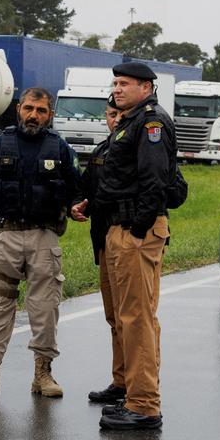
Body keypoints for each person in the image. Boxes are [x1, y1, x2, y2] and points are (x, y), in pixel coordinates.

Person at [0, 87, 79, 397]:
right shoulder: (0, 142)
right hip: (5, 236)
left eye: (41, 110)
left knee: (45, 308)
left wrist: (76, 206)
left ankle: (43, 373)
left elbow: (75, 189)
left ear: (50, 114)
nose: (34, 115)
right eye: (29, 108)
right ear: (19, 108)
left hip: (44, 237)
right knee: (1, 305)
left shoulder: (60, 148)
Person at [93, 62, 176, 431]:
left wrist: (140, 229)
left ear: (146, 87)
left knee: (138, 318)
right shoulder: (130, 121)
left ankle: (144, 405)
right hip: (118, 225)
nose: (117, 88)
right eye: (115, 83)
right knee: (124, 315)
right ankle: (129, 389)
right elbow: (120, 177)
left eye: (124, 83)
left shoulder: (151, 123)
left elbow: (154, 179)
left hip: (135, 231)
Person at [70, 95, 126, 406]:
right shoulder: (103, 149)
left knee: (131, 317)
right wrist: (78, 204)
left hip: (130, 236)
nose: (115, 119)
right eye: (110, 114)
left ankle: (137, 387)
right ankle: (120, 381)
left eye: (120, 113)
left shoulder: (138, 145)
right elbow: (86, 186)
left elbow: (172, 188)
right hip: (104, 239)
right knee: (113, 316)